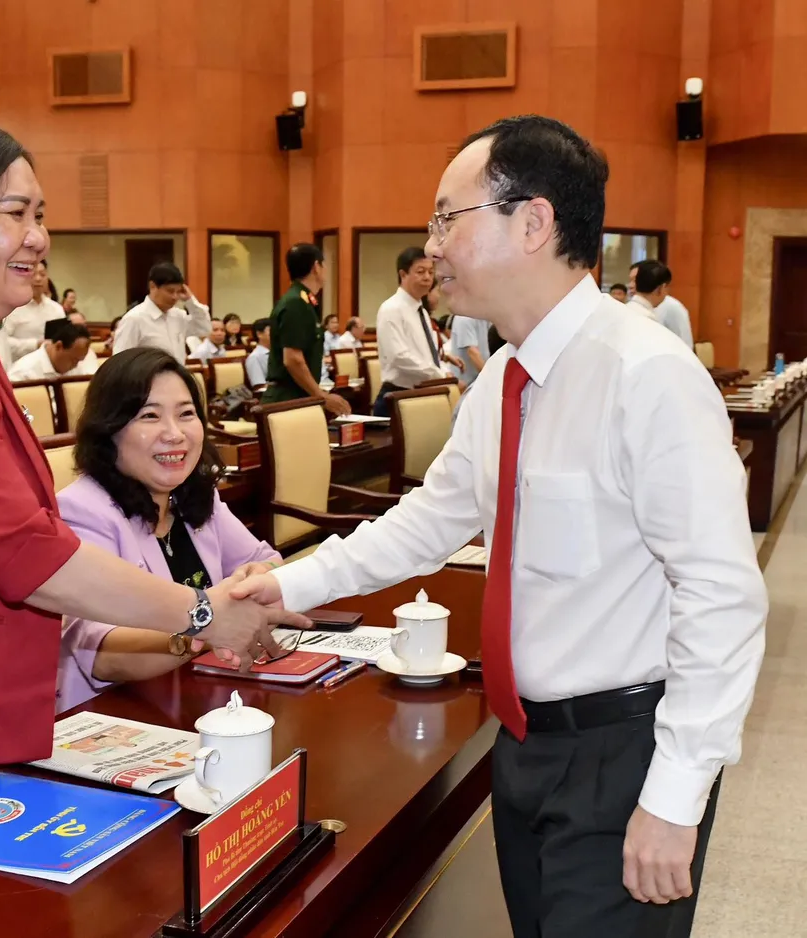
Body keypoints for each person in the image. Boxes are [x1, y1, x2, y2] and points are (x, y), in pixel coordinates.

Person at [233, 115, 767, 938]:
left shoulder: (648, 376)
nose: (433, 244)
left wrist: (674, 795)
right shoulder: (505, 381)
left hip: (622, 754)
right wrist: (282, 586)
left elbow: (723, 596)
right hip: (522, 745)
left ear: (534, 222)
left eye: (448, 217)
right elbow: (425, 523)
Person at [0, 118, 302, 835]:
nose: (39, 238)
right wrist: (201, 612)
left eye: (40, 216)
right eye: (16, 214)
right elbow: (26, 556)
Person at [57, 349, 282, 712]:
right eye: (149, 416)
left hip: (201, 695)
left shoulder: (192, 495)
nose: (174, 434)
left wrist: (257, 578)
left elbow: (268, 562)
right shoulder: (82, 511)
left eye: (186, 414)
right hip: (118, 715)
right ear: (108, 430)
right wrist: (205, 628)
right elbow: (100, 653)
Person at [262, 243, 350, 416]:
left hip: (299, 395)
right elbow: (292, 359)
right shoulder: (296, 302)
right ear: (316, 267)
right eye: (324, 265)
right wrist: (321, 396)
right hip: (288, 399)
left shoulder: (304, 301)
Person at [372, 247, 460, 417]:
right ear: (403, 274)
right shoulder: (391, 309)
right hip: (398, 396)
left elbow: (426, 354)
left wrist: (440, 370)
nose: (427, 277)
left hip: (422, 393)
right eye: (420, 272)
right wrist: (438, 373)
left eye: (430, 271)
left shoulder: (422, 311)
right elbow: (398, 356)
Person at [112, 262, 211, 363]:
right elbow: (120, 361)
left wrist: (190, 301)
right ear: (153, 286)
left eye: (178, 292)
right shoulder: (134, 318)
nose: (175, 297)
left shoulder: (178, 315)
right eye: (170, 291)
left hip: (176, 375)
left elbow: (204, 328)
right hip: (147, 377)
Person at [3, 259, 65, 362]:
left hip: (51, 370)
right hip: (19, 370)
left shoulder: (56, 309)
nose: (38, 279)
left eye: (42, 274)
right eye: (33, 274)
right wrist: (35, 344)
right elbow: (3, 343)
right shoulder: (12, 308)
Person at [629, 262, 694, 349]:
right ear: (661, 288)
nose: (631, 285)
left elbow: (685, 344)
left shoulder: (672, 306)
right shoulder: (647, 318)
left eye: (634, 280)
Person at [6, 319, 91, 382]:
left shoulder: (77, 367)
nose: (75, 366)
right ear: (59, 346)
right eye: (74, 360)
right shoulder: (22, 374)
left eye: (79, 361)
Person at [65, 309, 100, 375]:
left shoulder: (89, 352)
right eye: (76, 328)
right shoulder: (60, 353)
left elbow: (90, 377)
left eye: (83, 327)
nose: (81, 332)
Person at [245, 318, 271, 387]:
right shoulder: (254, 357)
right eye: (271, 331)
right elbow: (260, 387)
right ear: (259, 334)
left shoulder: (281, 353)